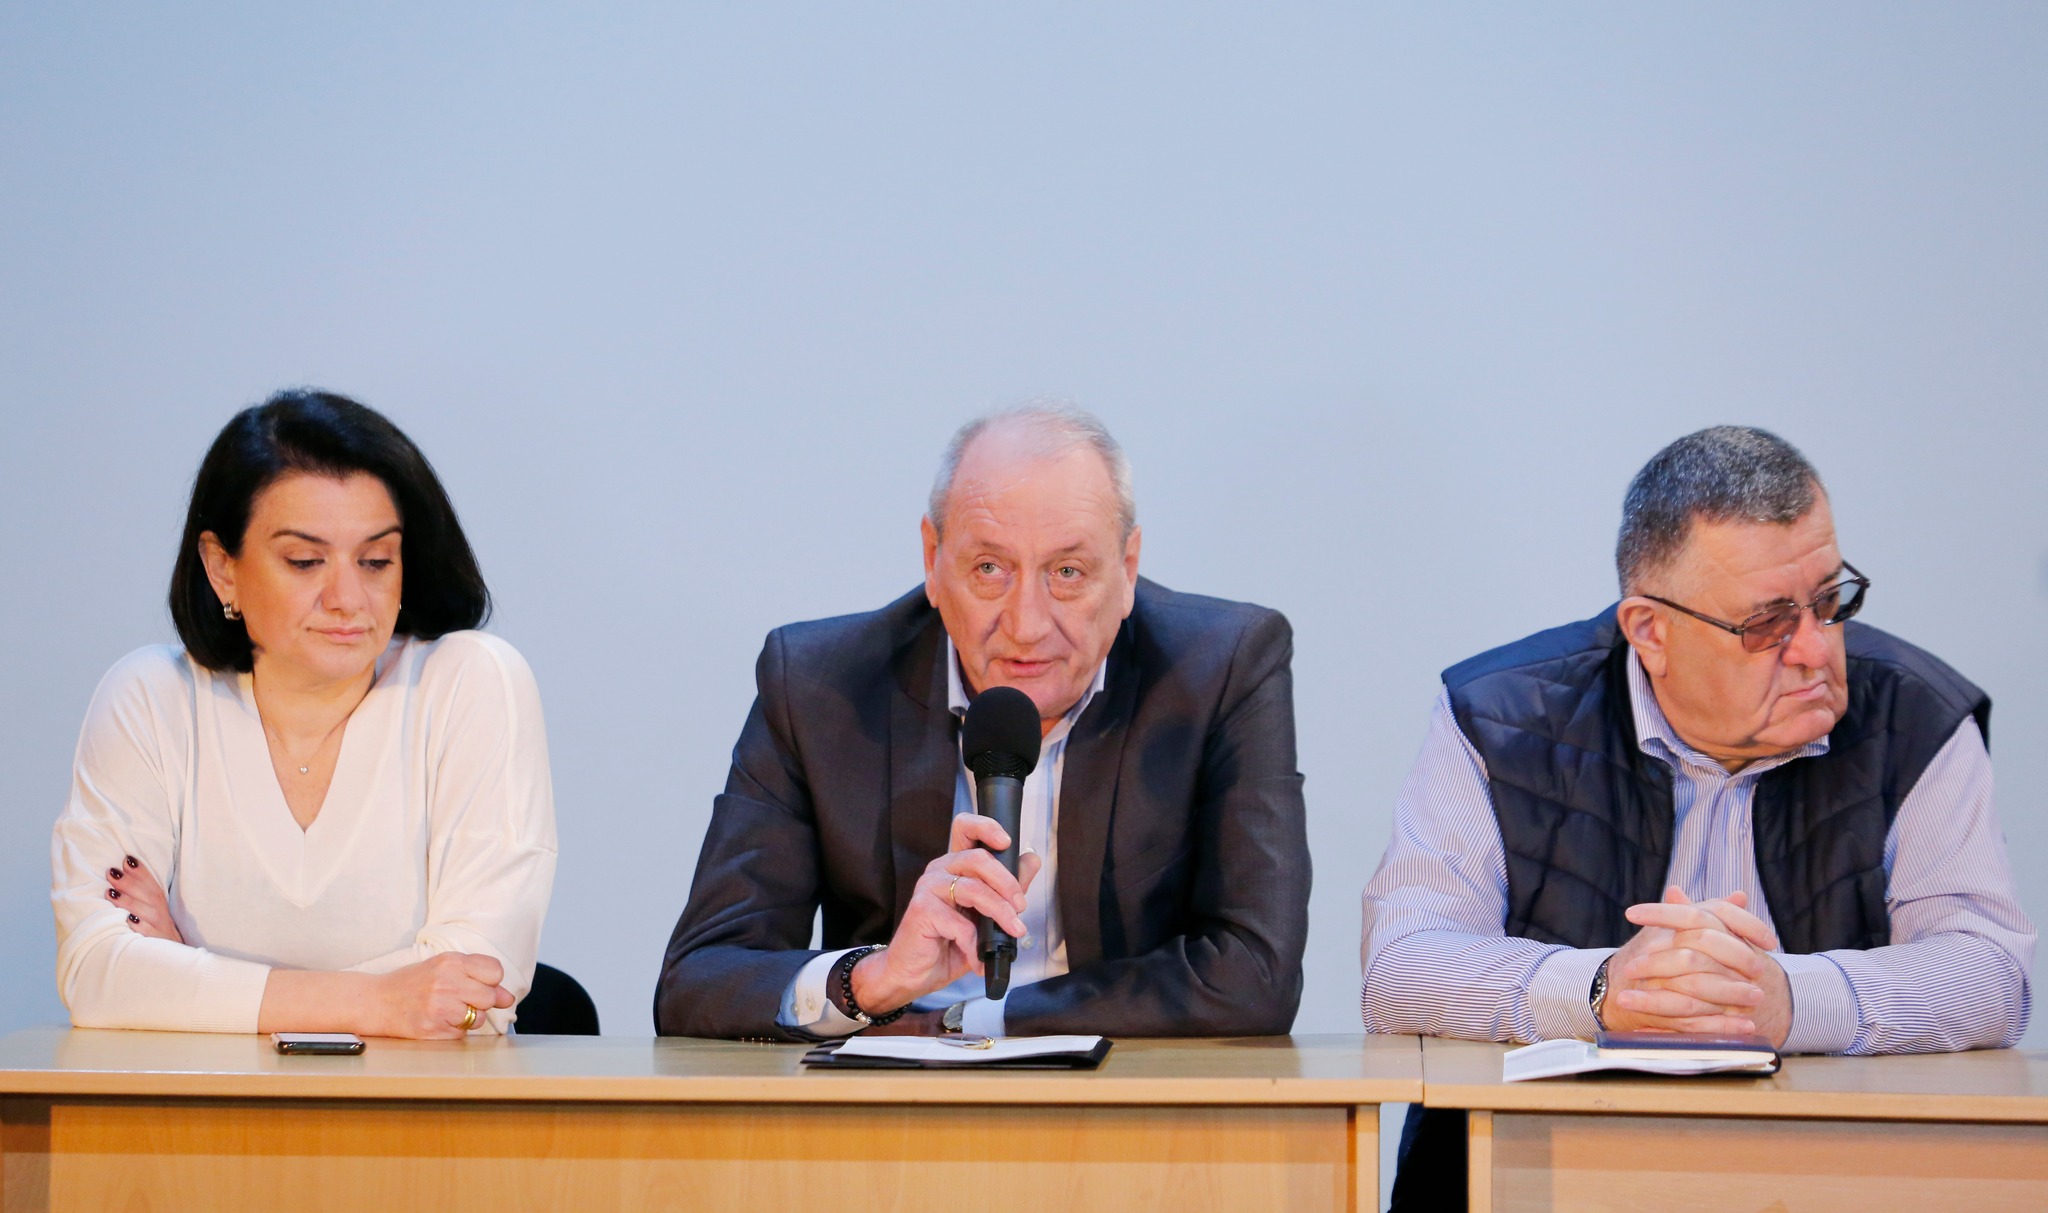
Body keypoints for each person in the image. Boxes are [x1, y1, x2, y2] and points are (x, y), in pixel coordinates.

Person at [1360, 425, 2034, 1208]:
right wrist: (1606, 989)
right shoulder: (1502, 714)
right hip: (1534, 1175)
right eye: (1768, 623)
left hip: (1832, 1178)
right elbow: (1400, 966)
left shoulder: (1917, 714)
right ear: (1651, 631)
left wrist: (1786, 999)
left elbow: (1990, 970)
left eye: (1830, 601)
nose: (1816, 650)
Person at [656, 403, 1309, 1039]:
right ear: (932, 559)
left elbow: (1253, 974)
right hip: (892, 1097)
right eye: (990, 569)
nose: (1026, 624)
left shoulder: (1222, 667)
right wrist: (874, 981)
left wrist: (975, 1021)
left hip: (1121, 1092)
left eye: (1068, 572)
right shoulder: (819, 685)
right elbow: (699, 980)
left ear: (1127, 570)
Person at [51, 389, 558, 1038]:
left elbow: (477, 992)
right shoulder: (151, 696)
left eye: (375, 561)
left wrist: (188, 975)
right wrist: (379, 1001)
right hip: (198, 1103)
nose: (348, 597)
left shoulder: (471, 681)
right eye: (305, 561)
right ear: (222, 568)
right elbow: (97, 974)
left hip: (424, 1101)